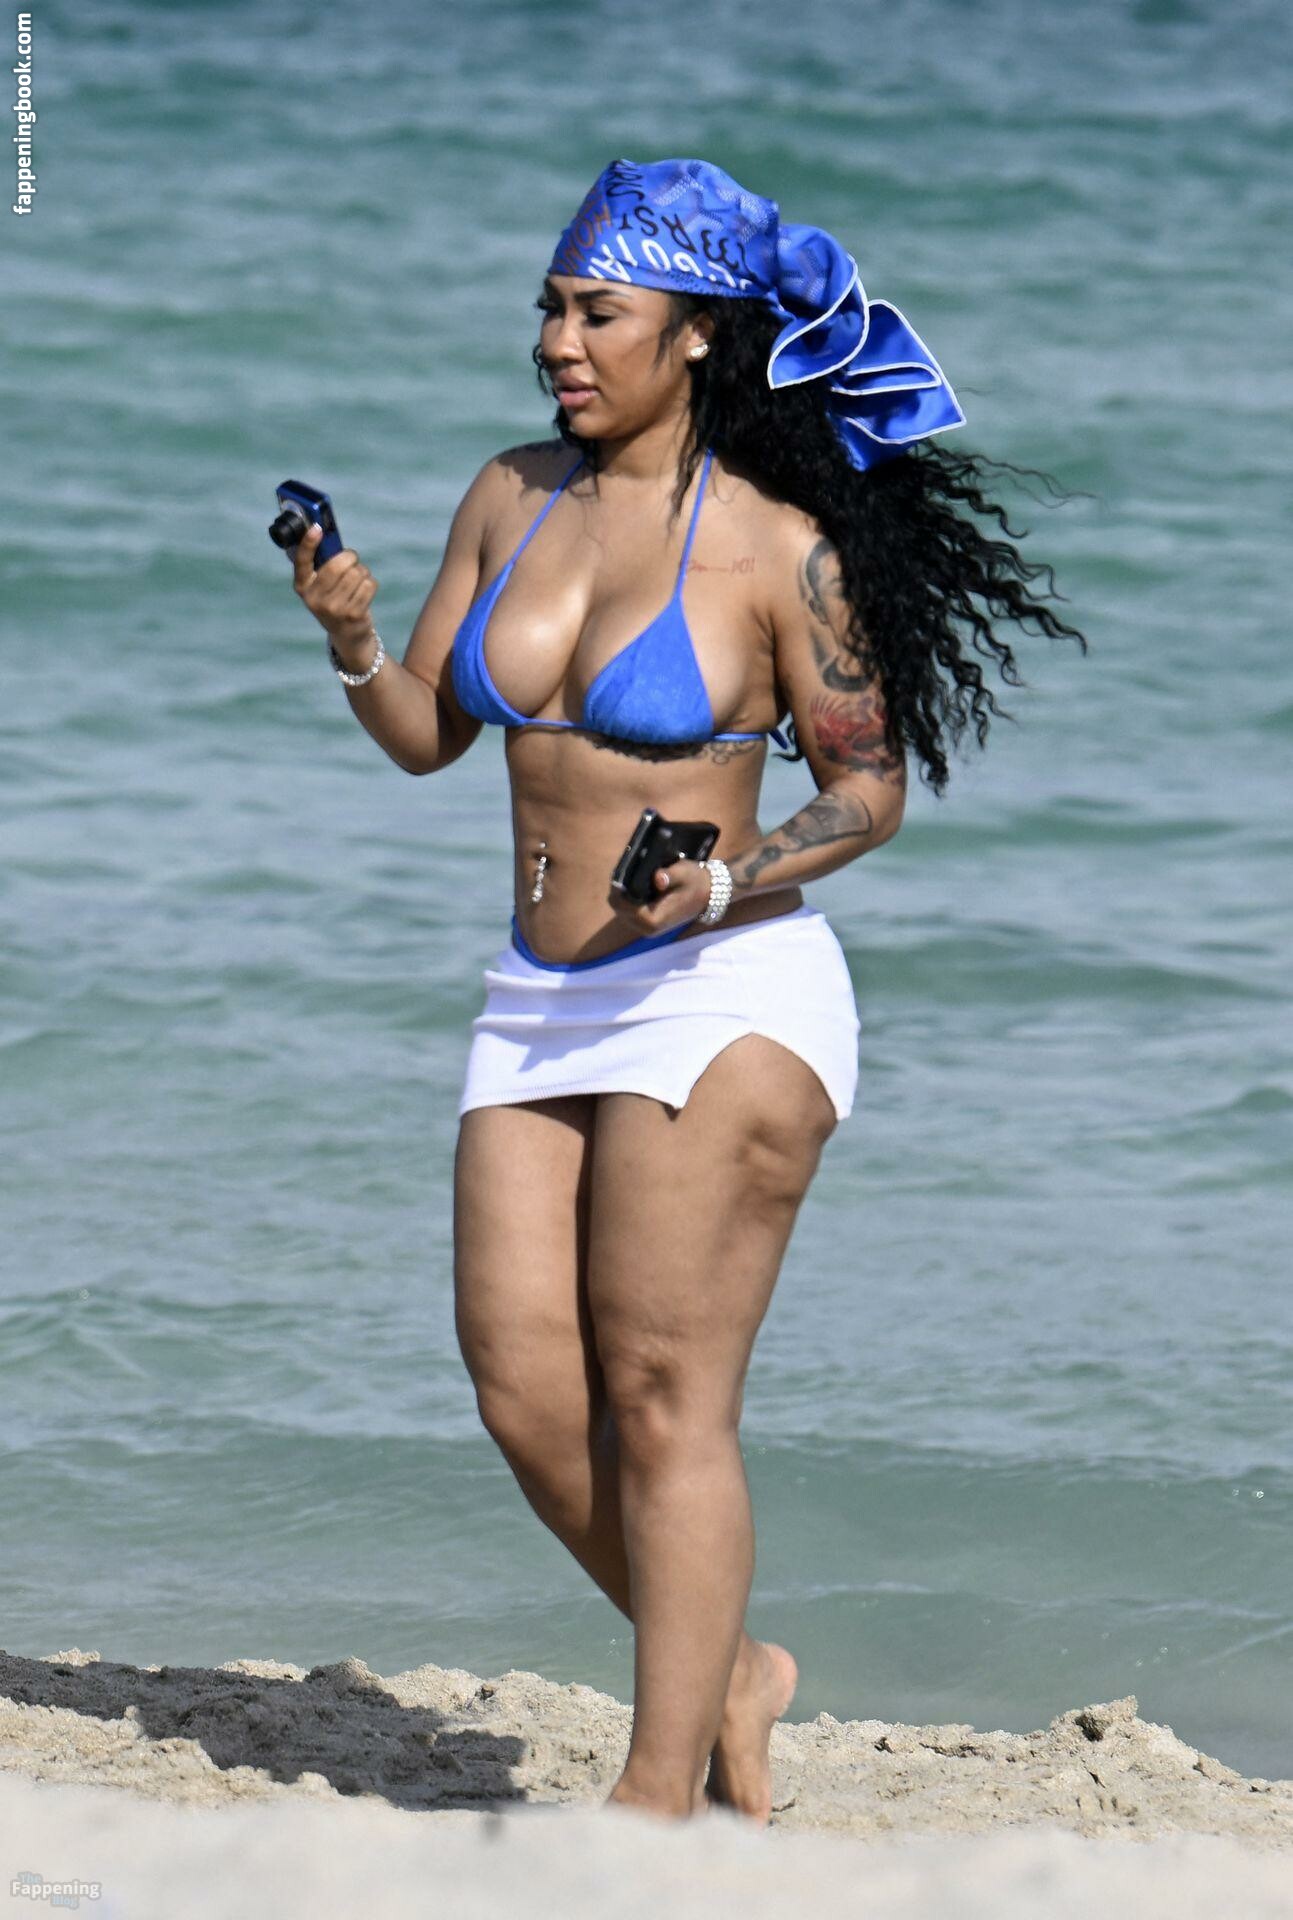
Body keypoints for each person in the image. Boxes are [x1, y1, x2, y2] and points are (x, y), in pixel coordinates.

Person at [289, 156, 1087, 1826]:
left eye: (598, 313)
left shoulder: (780, 551)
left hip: (724, 986)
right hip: (539, 994)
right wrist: (353, 641)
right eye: (550, 310)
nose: (558, 343)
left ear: (700, 334)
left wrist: (729, 877)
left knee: (663, 1399)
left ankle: (656, 1808)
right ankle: (728, 1672)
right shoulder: (509, 495)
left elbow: (866, 791)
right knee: (524, 1392)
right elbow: (432, 737)